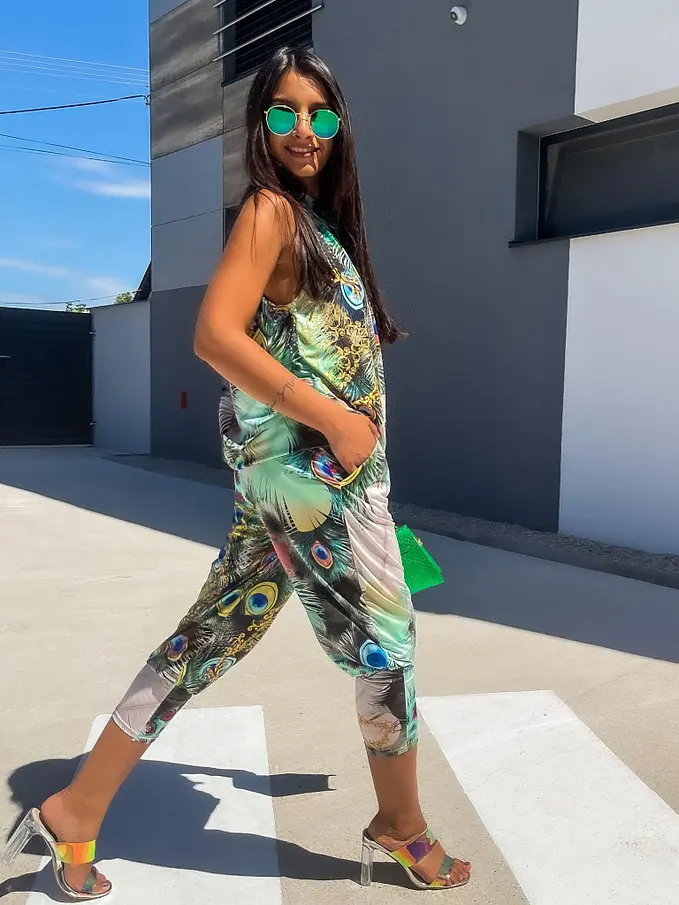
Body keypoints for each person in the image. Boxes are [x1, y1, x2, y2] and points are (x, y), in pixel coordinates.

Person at [4, 48, 471, 896]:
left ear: (339, 126)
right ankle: (400, 824)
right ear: (259, 124)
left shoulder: (312, 221)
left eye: (320, 114)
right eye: (284, 112)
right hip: (317, 486)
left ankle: (75, 807)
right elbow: (214, 335)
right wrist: (335, 419)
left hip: (292, 485)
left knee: (211, 635)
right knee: (387, 649)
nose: (304, 130)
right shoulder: (269, 211)